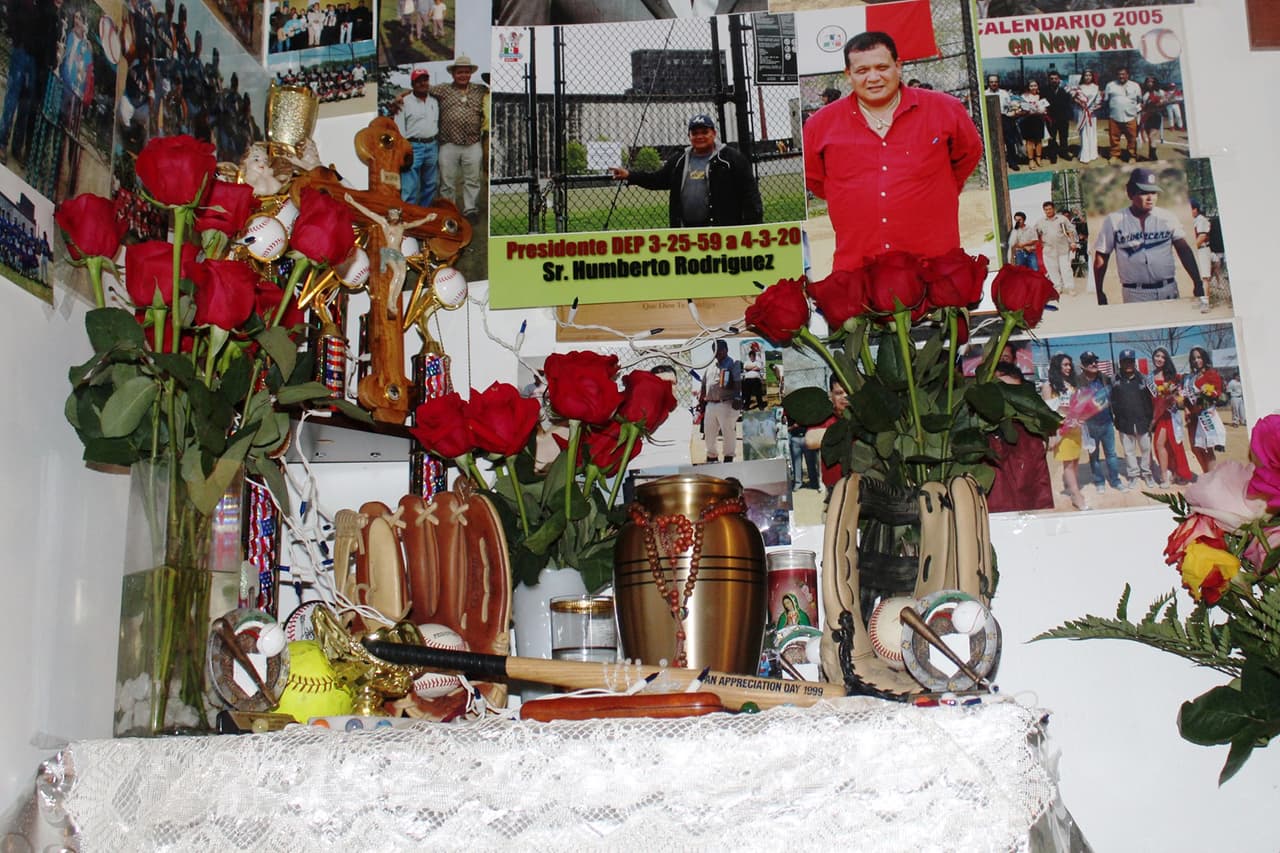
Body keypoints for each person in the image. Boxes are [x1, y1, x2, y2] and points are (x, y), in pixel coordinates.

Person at [803, 31, 983, 272]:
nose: (873, 77)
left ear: (898, 67)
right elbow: (816, 180)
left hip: (934, 264)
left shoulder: (945, 109)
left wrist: (936, 188)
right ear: (849, 74)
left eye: (882, 67)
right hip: (859, 268)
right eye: (862, 70)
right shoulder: (820, 124)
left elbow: (968, 154)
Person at [608, 114, 762, 228]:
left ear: (714, 134)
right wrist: (630, 175)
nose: (699, 136)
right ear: (689, 136)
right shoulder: (679, 160)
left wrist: (751, 227)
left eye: (704, 132)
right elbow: (658, 179)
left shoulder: (731, 159)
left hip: (723, 234)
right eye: (695, 133)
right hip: (685, 233)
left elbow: (750, 194)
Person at [1092, 168, 1203, 306]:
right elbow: (1102, 256)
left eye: (1153, 192)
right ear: (1130, 193)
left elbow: (1184, 250)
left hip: (1168, 289)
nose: (1150, 198)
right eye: (1144, 193)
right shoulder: (1114, 220)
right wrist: (1099, 291)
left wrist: (1197, 282)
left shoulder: (1167, 217)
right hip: (1135, 293)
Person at [985, 361, 1053, 513]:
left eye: (1013, 395)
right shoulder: (971, 440)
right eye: (1000, 392)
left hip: (1025, 526)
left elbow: (1042, 494)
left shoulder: (1031, 439)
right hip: (987, 527)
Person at [432, 56, 488, 221]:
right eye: (459, 72)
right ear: (453, 74)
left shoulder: (480, 89)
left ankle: (470, 209)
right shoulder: (443, 89)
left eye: (466, 72)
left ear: (471, 73)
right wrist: (402, 96)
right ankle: (449, 210)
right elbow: (422, 90)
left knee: (472, 179)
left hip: (472, 143)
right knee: (447, 180)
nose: (463, 75)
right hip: (448, 143)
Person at [1042, 352, 1090, 511]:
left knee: (1075, 461)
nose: (1068, 367)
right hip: (1062, 429)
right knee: (1068, 463)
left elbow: (1079, 405)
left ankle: (1073, 489)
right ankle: (1076, 495)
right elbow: (1049, 411)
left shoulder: (1072, 384)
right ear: (1057, 366)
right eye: (1065, 364)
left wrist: (1081, 415)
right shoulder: (1049, 385)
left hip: (1076, 428)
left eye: (1070, 364)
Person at [388, 68, 439, 208]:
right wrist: (404, 150)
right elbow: (399, 130)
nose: (423, 83)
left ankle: (424, 214)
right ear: (412, 84)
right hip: (413, 146)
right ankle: (406, 216)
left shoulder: (434, 101)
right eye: (418, 81)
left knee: (430, 184)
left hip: (432, 145)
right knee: (409, 186)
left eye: (425, 80)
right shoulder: (403, 103)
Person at [1078, 351, 1126, 494]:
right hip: (1090, 426)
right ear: (1082, 365)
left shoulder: (1105, 379)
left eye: (1095, 361)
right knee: (1094, 455)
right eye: (1089, 362)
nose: (1093, 364)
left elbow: (1116, 397)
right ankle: (1099, 481)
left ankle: (1115, 480)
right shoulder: (1078, 382)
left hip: (1107, 423)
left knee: (1111, 454)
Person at [1111, 349, 1157, 489]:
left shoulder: (1143, 379)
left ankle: (1147, 474)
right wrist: (1117, 420)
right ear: (1121, 363)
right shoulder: (1115, 380)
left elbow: (1151, 401)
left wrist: (1151, 420)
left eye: (1130, 360)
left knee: (1146, 449)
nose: (1128, 364)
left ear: (1134, 361)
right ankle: (1133, 475)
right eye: (1125, 361)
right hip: (1125, 423)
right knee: (1128, 451)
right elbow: (1112, 401)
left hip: (1143, 421)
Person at [1149, 346, 1194, 487]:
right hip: (1158, 415)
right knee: (1160, 444)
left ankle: (1176, 473)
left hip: (1171, 415)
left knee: (1174, 445)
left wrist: (1174, 396)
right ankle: (1166, 474)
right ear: (1153, 357)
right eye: (1157, 356)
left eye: (1162, 357)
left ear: (1166, 359)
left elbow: (1179, 397)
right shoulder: (1149, 377)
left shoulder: (1172, 376)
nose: (1159, 359)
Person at [1183, 346, 1226, 473]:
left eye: (1199, 357)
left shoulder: (1211, 374)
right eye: (1193, 358)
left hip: (1205, 416)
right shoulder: (1190, 378)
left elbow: (1219, 394)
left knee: (1207, 448)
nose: (1196, 361)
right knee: (1195, 448)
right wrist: (1185, 408)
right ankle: (1206, 474)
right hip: (1192, 417)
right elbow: (1185, 397)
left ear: (1204, 358)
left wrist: (1209, 392)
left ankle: (1212, 479)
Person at [699, 340, 741, 464]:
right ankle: (712, 457)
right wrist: (702, 400)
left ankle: (728, 458)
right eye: (714, 350)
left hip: (726, 403)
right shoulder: (710, 366)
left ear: (726, 350)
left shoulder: (733, 364)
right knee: (709, 432)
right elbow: (704, 384)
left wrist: (738, 398)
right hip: (710, 404)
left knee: (728, 432)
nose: (717, 352)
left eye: (720, 349)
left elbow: (738, 382)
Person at [1035, 201, 1077, 296]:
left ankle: (1070, 288)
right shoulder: (1040, 222)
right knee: (1052, 269)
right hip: (1048, 250)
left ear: (1054, 209)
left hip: (1063, 248)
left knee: (1066, 269)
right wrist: (1040, 243)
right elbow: (1036, 233)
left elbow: (1070, 231)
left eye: (1050, 209)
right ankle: (1058, 287)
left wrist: (1073, 242)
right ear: (1044, 210)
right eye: (1046, 210)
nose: (1048, 211)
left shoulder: (1062, 219)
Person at [1104, 67, 1142, 164]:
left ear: (1127, 75)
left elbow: (1140, 100)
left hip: (1131, 116)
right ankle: (1114, 155)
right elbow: (1105, 100)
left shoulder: (1135, 85)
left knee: (1132, 138)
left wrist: (1136, 110)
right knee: (1114, 138)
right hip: (1114, 116)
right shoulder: (1110, 85)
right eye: (1119, 74)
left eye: (1123, 74)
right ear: (1117, 75)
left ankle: (1132, 156)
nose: (1121, 76)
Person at [986, 73, 1023, 170]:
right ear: (988, 83)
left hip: (1005, 118)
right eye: (991, 82)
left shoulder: (1004, 93)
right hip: (991, 119)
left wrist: (1014, 111)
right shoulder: (985, 94)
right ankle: (996, 164)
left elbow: (1010, 106)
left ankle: (1012, 162)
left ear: (998, 82)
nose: (994, 84)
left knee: (1010, 141)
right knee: (994, 142)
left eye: (995, 82)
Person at [1070, 69, 1101, 165]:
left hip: (1092, 113)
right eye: (1086, 75)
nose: (1088, 77)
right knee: (1083, 133)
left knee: (1092, 132)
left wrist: (1092, 109)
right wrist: (1079, 102)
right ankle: (1085, 155)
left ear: (1092, 77)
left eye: (1089, 75)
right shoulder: (1078, 88)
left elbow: (1098, 100)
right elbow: (1074, 99)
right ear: (1083, 77)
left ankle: (1093, 154)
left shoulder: (1096, 87)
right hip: (1082, 112)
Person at [1016, 79, 1048, 170]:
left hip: (1039, 120)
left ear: (1038, 86)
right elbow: (1021, 109)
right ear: (1028, 87)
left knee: (1038, 140)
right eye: (1031, 86)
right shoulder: (1023, 97)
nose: (1033, 87)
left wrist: (1043, 110)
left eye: (1035, 85)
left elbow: (1045, 108)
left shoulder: (1041, 96)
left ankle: (1038, 158)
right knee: (1029, 141)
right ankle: (1031, 160)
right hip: (1027, 120)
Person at [1044, 70, 1074, 163]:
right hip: (1051, 118)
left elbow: (1069, 103)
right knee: (1052, 138)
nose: (1054, 80)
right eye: (1051, 79)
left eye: (1056, 79)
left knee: (1064, 137)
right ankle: (1052, 155)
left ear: (1059, 79)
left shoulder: (1065, 90)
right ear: (1049, 80)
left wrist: (1068, 115)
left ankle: (1064, 153)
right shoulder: (1044, 90)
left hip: (1063, 118)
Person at [1191, 199, 1214, 313]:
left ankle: (1206, 303)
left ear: (1195, 209)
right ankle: (1201, 300)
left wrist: (1191, 249)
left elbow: (1202, 237)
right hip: (1197, 250)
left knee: (1205, 277)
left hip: (1203, 249)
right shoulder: (1193, 220)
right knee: (1198, 277)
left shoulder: (1201, 220)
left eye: (1191, 209)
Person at [1139, 76, 1165, 161]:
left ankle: (1154, 157)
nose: (1150, 83)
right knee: (1150, 138)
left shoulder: (1160, 92)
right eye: (1148, 82)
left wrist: (1159, 103)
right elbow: (1141, 104)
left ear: (1155, 83)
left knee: (1151, 136)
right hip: (1146, 116)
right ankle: (1151, 154)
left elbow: (1164, 102)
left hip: (1156, 116)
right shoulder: (1144, 93)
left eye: (1152, 82)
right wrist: (1143, 106)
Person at [741, 342, 767, 410]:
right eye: (751, 356)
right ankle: (746, 406)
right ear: (749, 356)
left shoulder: (758, 361)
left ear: (755, 356)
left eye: (753, 356)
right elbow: (746, 367)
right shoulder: (746, 362)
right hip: (748, 380)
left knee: (758, 394)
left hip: (756, 380)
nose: (752, 357)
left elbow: (758, 368)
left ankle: (761, 406)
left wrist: (750, 368)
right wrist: (753, 367)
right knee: (747, 394)